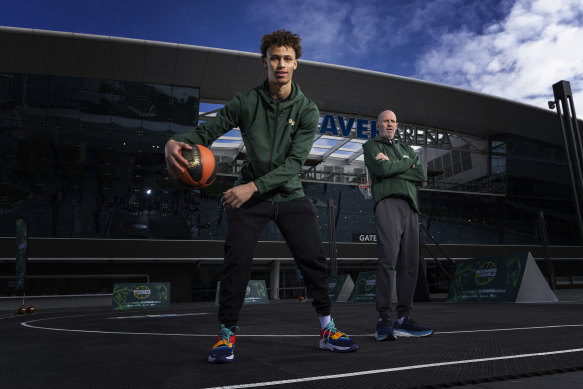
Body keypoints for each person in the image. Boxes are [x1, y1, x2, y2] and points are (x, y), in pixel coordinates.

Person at [164, 29, 358, 363]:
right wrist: (174, 140)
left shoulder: (308, 110)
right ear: (265, 62)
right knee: (236, 262)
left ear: (296, 64)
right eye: (274, 59)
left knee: (313, 260)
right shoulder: (246, 102)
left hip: (287, 193)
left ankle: (328, 329)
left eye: (286, 59)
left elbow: (294, 165)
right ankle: (226, 335)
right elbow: (206, 132)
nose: (280, 65)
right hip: (250, 197)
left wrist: (250, 187)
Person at [362, 110, 433, 341]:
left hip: (411, 207)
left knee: (410, 265)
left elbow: (421, 174)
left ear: (397, 125)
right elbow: (382, 170)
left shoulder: (407, 150)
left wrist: (397, 163)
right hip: (387, 204)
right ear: (378, 125)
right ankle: (384, 318)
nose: (390, 124)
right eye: (385, 121)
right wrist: (405, 166)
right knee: (388, 260)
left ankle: (404, 319)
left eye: (393, 121)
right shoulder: (372, 146)